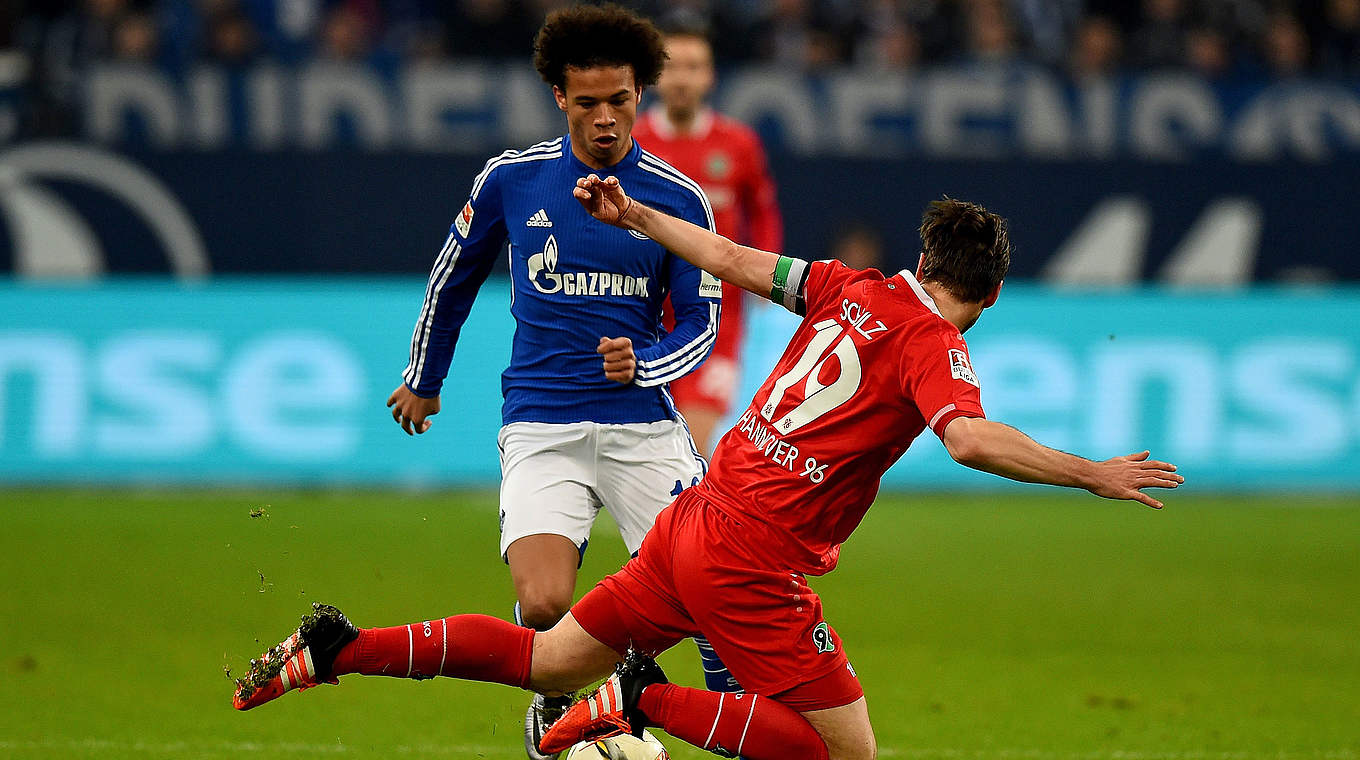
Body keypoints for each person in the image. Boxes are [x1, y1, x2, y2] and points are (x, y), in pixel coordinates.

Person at [235, 177, 1184, 760]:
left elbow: (729, 257)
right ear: (994, 291)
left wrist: (637, 213)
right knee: (828, 754)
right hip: (753, 557)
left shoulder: (847, 285)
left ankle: (337, 648)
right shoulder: (935, 343)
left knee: (550, 660)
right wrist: (1090, 471)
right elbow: (969, 439)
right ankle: (644, 698)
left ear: (922, 255)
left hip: (698, 512)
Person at [381, 5, 731, 758]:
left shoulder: (678, 199)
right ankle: (563, 705)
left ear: (641, 94)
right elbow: (454, 278)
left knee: (708, 598)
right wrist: (424, 378)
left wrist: (645, 364)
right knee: (543, 605)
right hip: (544, 423)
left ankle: (738, 724)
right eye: (588, 103)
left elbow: (700, 322)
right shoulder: (513, 179)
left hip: (645, 430)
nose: (605, 119)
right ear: (559, 99)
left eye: (620, 101)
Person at [632, 15, 784, 458]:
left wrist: (766, 270)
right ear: (654, 75)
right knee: (644, 441)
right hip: (642, 308)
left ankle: (681, 524)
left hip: (718, 311)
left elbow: (763, 210)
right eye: (672, 66)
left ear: (710, 75)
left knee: (694, 440)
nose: (682, 78)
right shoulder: (631, 142)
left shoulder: (738, 144)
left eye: (694, 66)